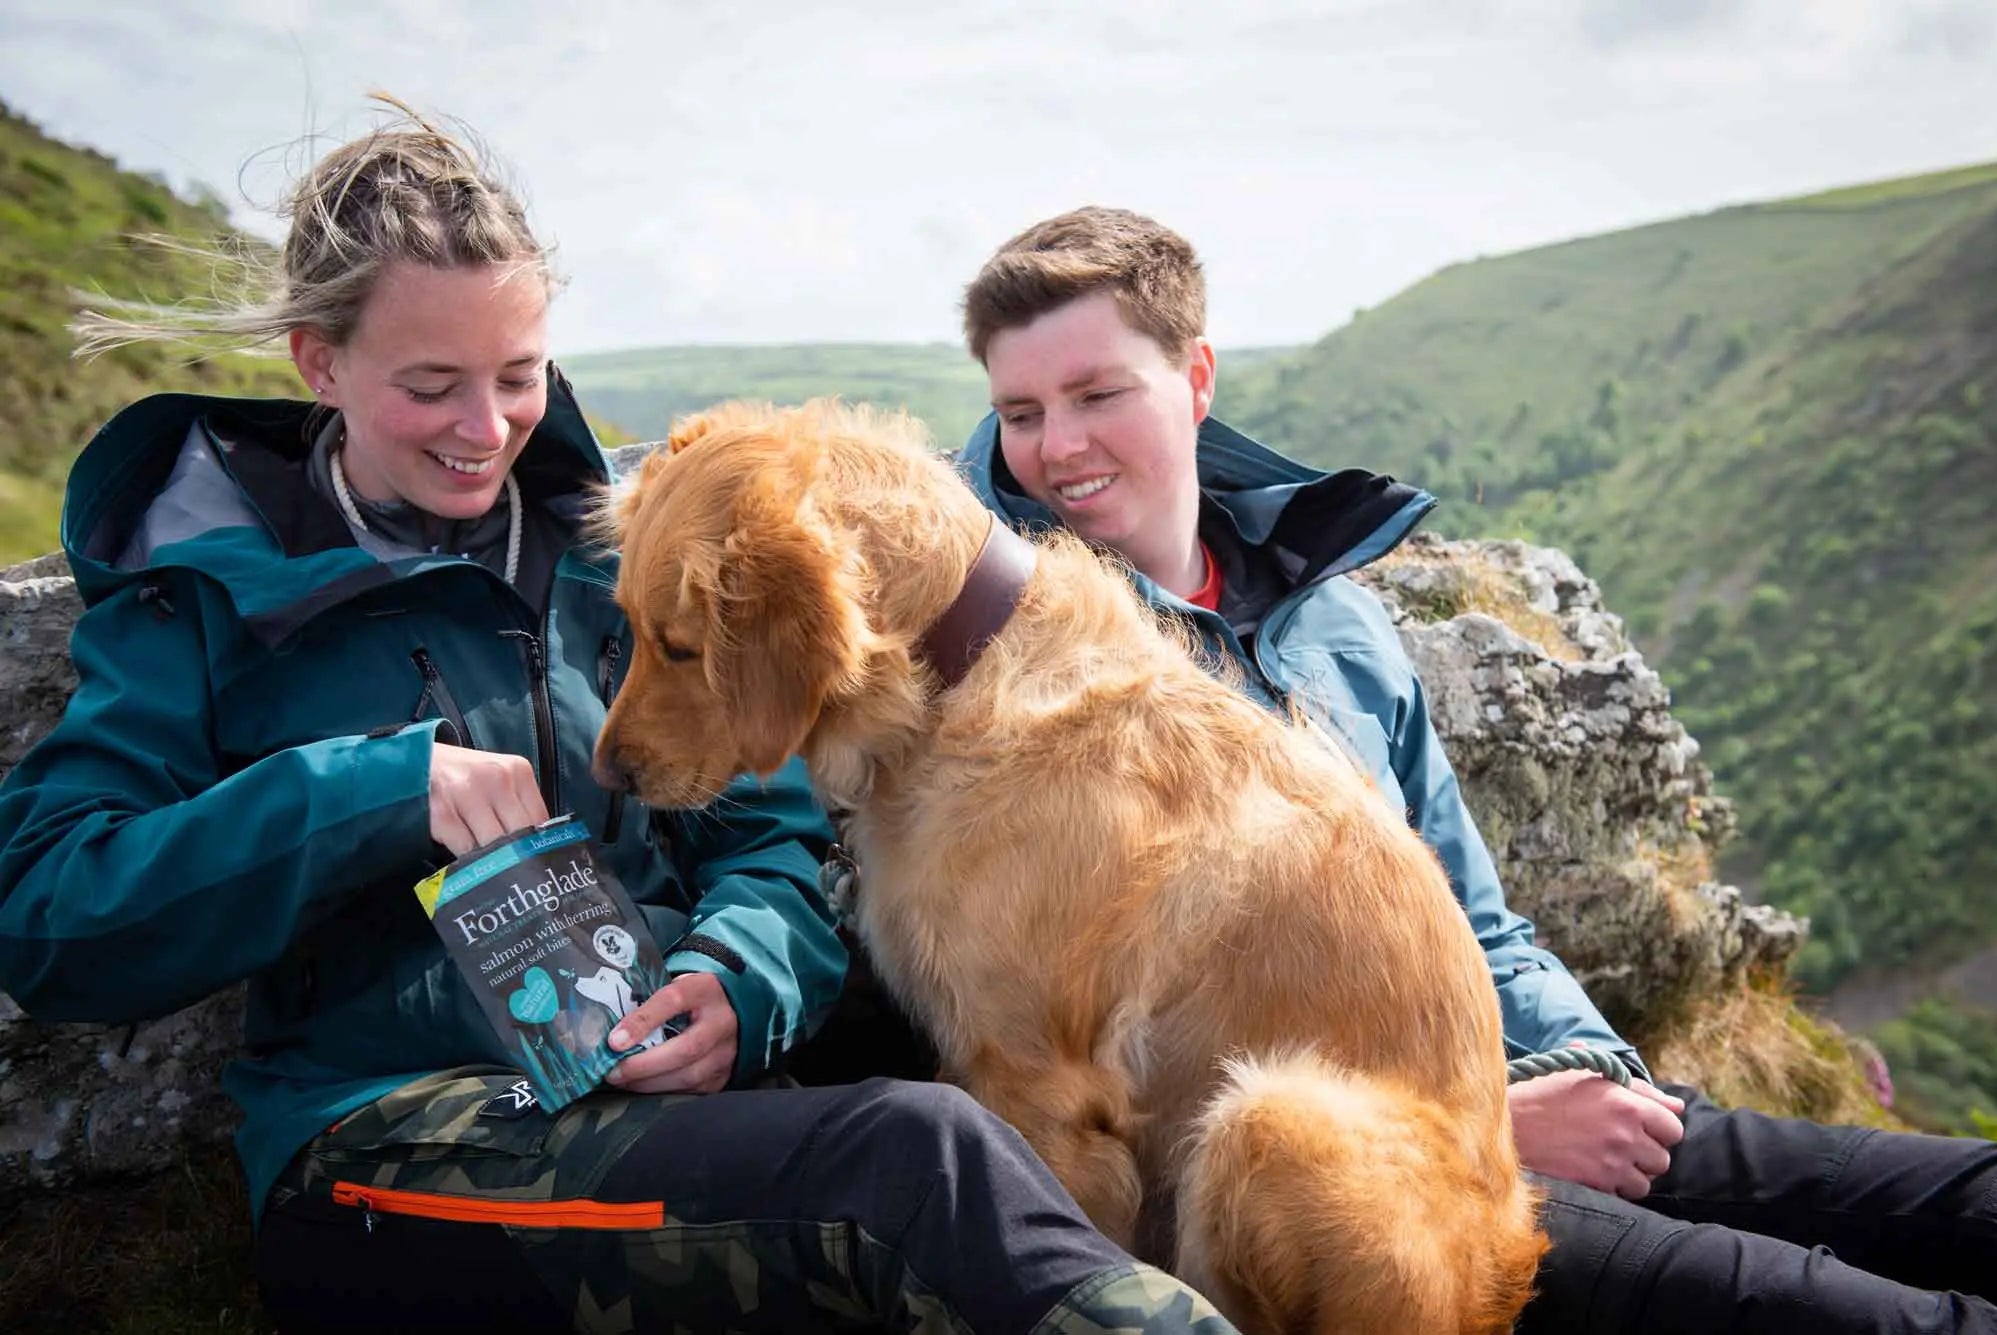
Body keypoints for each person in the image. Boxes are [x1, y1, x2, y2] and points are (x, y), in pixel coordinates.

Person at [0, 107, 1236, 1335]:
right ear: (320, 365)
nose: (485, 431)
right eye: (431, 386)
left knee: (963, 1136)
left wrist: (736, 982)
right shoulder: (198, 586)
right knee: (910, 1164)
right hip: (391, 1145)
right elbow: (50, 920)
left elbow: (774, 841)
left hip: (677, 1125)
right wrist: (366, 793)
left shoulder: (625, 560)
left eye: (518, 377)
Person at [952, 205, 1997, 1333]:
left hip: (1518, 1088)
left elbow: (1474, 923)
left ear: (1195, 378)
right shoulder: (1029, 692)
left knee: (1964, 1201)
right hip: (1361, 1190)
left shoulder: (1337, 629)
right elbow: (1136, 1059)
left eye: (1096, 395)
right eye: (1020, 412)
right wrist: (1480, 1118)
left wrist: (1592, 1069)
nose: (1056, 447)